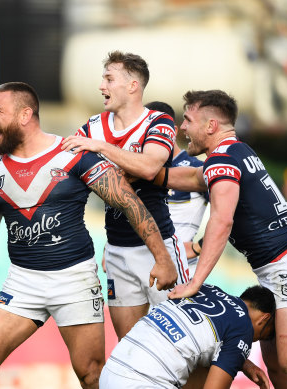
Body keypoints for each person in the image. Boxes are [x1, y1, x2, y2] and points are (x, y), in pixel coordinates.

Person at [0, 82, 177, 389]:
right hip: (22, 282)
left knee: (91, 375)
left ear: (25, 115)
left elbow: (129, 202)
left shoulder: (74, 154)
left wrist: (162, 257)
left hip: (75, 280)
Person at [154, 89, 287, 389]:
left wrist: (195, 282)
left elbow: (222, 221)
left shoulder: (223, 160)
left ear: (210, 126)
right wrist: (136, 168)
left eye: (188, 119)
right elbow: (188, 179)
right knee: (277, 367)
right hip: (276, 266)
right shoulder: (235, 152)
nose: (183, 127)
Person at [61, 51, 188, 340]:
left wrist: (100, 148)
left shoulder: (158, 122)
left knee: (180, 344)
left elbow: (149, 165)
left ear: (133, 86)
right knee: (130, 346)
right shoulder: (94, 126)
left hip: (158, 248)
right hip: (116, 250)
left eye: (109, 79)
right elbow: (61, 159)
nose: (101, 86)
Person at [99, 284, 276, 389]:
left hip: (111, 372)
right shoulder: (244, 328)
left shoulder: (207, 289)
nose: (255, 341)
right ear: (264, 319)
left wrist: (244, 364)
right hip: (145, 383)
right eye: (263, 337)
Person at [144, 101, 208, 274]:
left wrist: (197, 247)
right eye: (145, 131)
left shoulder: (196, 168)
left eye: (156, 130)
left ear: (173, 130)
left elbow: (231, 211)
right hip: (140, 265)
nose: (150, 137)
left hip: (180, 269)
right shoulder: (140, 168)